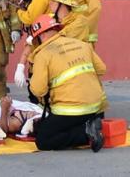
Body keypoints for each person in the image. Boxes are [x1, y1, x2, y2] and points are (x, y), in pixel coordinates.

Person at [28, 14, 106, 152]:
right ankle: (91, 125)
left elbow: (38, 90)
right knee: (59, 124)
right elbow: (102, 69)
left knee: (43, 140)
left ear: (41, 36)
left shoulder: (43, 54)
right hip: (97, 109)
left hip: (71, 110)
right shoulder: (83, 45)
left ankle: (86, 133)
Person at [14, 0, 89, 88]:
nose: (50, 3)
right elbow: (30, 45)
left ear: (62, 4)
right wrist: (21, 66)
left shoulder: (80, 22)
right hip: (45, 74)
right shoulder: (50, 19)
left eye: (53, 1)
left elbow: (60, 37)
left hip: (69, 75)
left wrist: (42, 34)